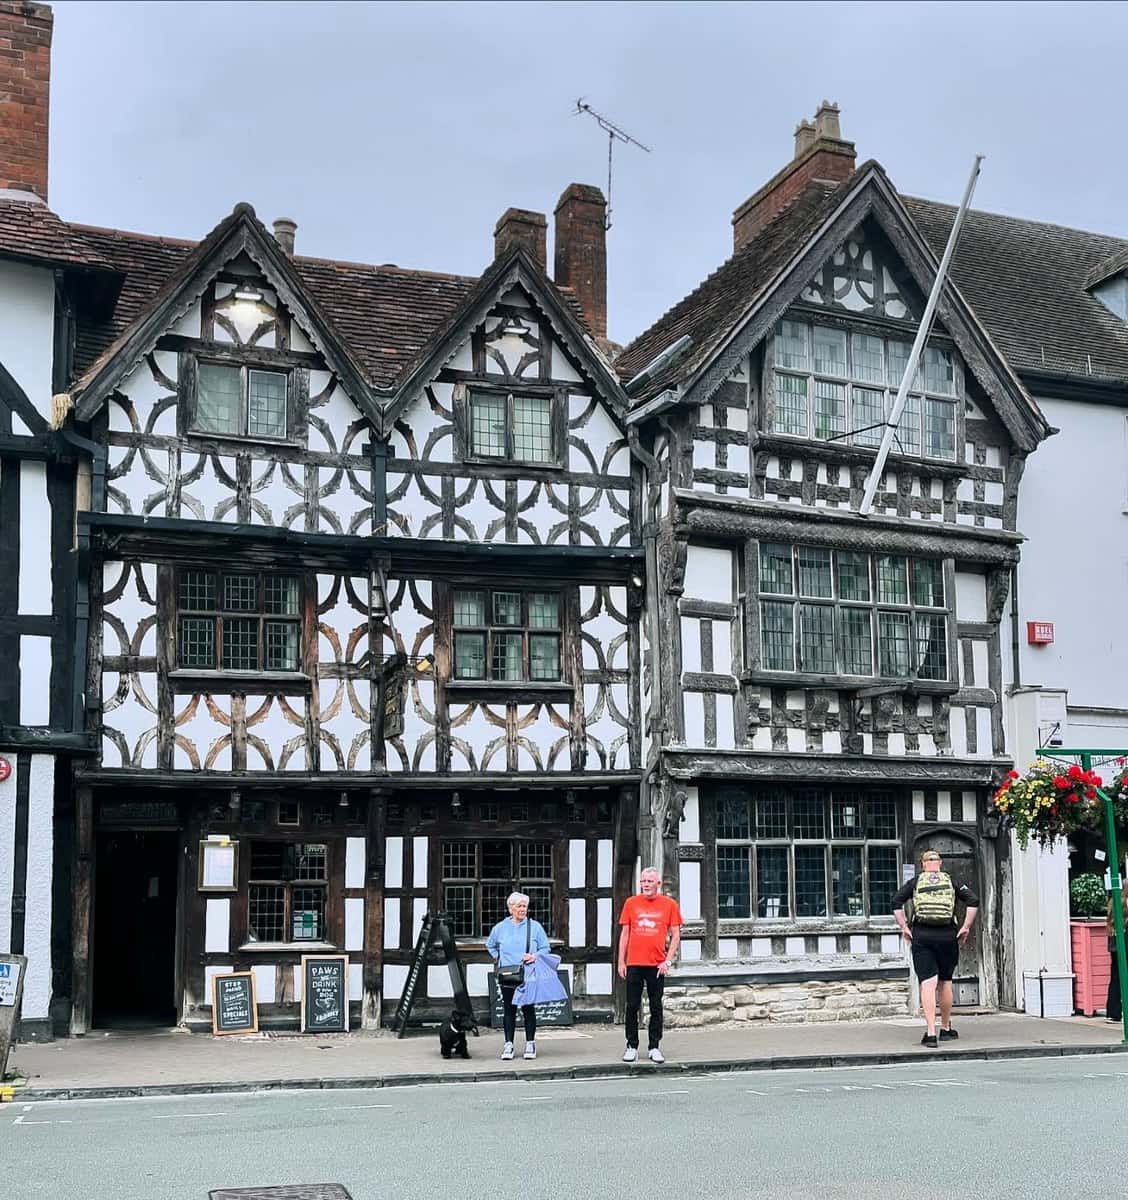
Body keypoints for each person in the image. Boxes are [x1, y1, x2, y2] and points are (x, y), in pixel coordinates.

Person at [892, 849, 978, 1049]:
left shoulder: (915, 883)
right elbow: (973, 900)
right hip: (947, 935)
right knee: (945, 981)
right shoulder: (951, 882)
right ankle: (946, 1028)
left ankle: (931, 1033)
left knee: (928, 984)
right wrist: (965, 928)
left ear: (923, 864)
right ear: (939, 863)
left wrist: (905, 928)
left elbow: (896, 901)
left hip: (922, 935)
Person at [618, 866, 683, 1064]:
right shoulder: (631, 903)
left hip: (656, 964)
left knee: (656, 1006)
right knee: (632, 1005)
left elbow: (676, 935)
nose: (645, 884)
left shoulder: (669, 905)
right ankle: (631, 1046)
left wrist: (668, 960)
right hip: (634, 962)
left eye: (649, 881)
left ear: (658, 884)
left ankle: (654, 1046)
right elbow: (625, 934)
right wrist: (621, 960)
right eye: (643, 881)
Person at [486, 891, 549, 1061]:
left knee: (528, 1009)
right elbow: (490, 945)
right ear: (510, 908)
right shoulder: (500, 928)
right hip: (507, 974)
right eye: (519, 906)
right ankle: (508, 1044)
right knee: (509, 1009)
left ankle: (530, 1043)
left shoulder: (534, 926)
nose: (523, 909)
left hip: (528, 973)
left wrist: (534, 956)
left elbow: (545, 948)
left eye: (525, 906)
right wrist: (498, 958)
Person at [1105, 885, 1128, 1023]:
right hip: (1125, 943)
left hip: (1115, 944)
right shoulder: (1126, 902)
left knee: (1115, 978)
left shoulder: (1114, 901)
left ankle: (1113, 1012)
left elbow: (1109, 922)